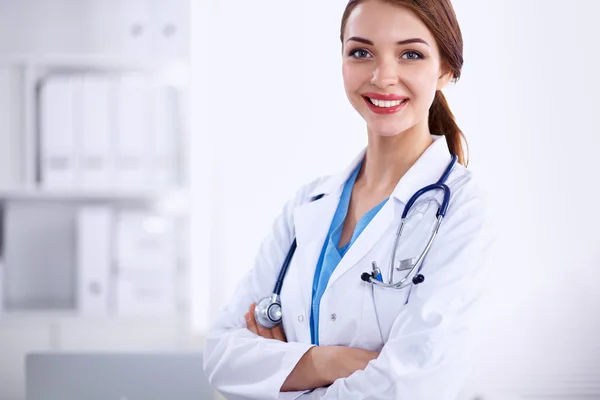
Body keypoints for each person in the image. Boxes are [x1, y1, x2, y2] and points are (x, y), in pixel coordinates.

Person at [203, 0, 492, 398]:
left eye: (410, 54)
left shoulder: (464, 210)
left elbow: (414, 385)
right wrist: (331, 361)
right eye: (361, 52)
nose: (383, 76)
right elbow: (221, 355)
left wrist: (287, 368)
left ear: (445, 69)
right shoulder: (309, 205)